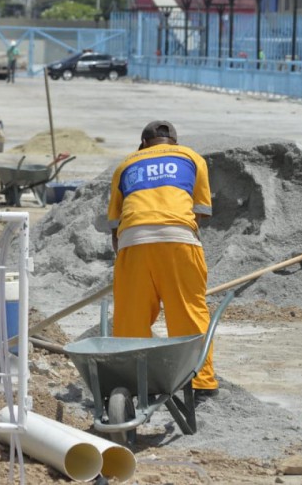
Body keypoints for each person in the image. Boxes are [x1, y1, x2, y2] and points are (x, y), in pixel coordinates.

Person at [105, 121, 218, 401]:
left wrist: (128, 260)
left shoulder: (125, 164)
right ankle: (201, 383)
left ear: (143, 144)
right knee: (189, 312)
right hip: (179, 238)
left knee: (131, 317)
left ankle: (134, 380)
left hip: (133, 240)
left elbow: (115, 226)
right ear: (174, 143)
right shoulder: (191, 157)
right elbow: (199, 212)